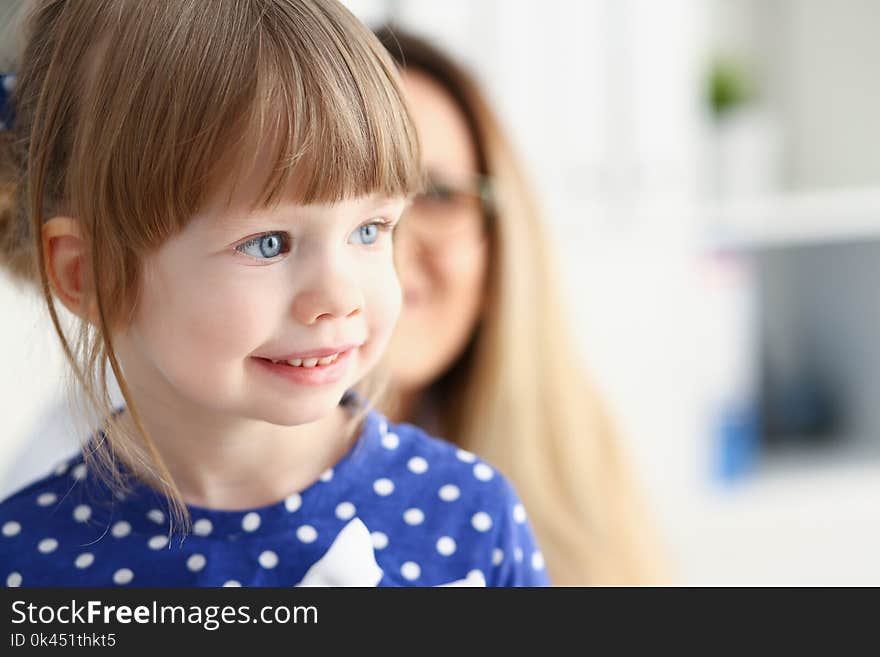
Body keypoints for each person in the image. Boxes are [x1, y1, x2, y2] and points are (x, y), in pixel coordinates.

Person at [0, 0, 548, 588]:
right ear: (91, 273)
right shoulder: (28, 562)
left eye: (370, 230)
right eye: (267, 243)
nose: (340, 297)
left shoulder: (468, 517)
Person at [375, 28, 668, 585]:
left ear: (500, 255)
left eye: (437, 195)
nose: (392, 238)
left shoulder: (578, 475)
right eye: (350, 201)